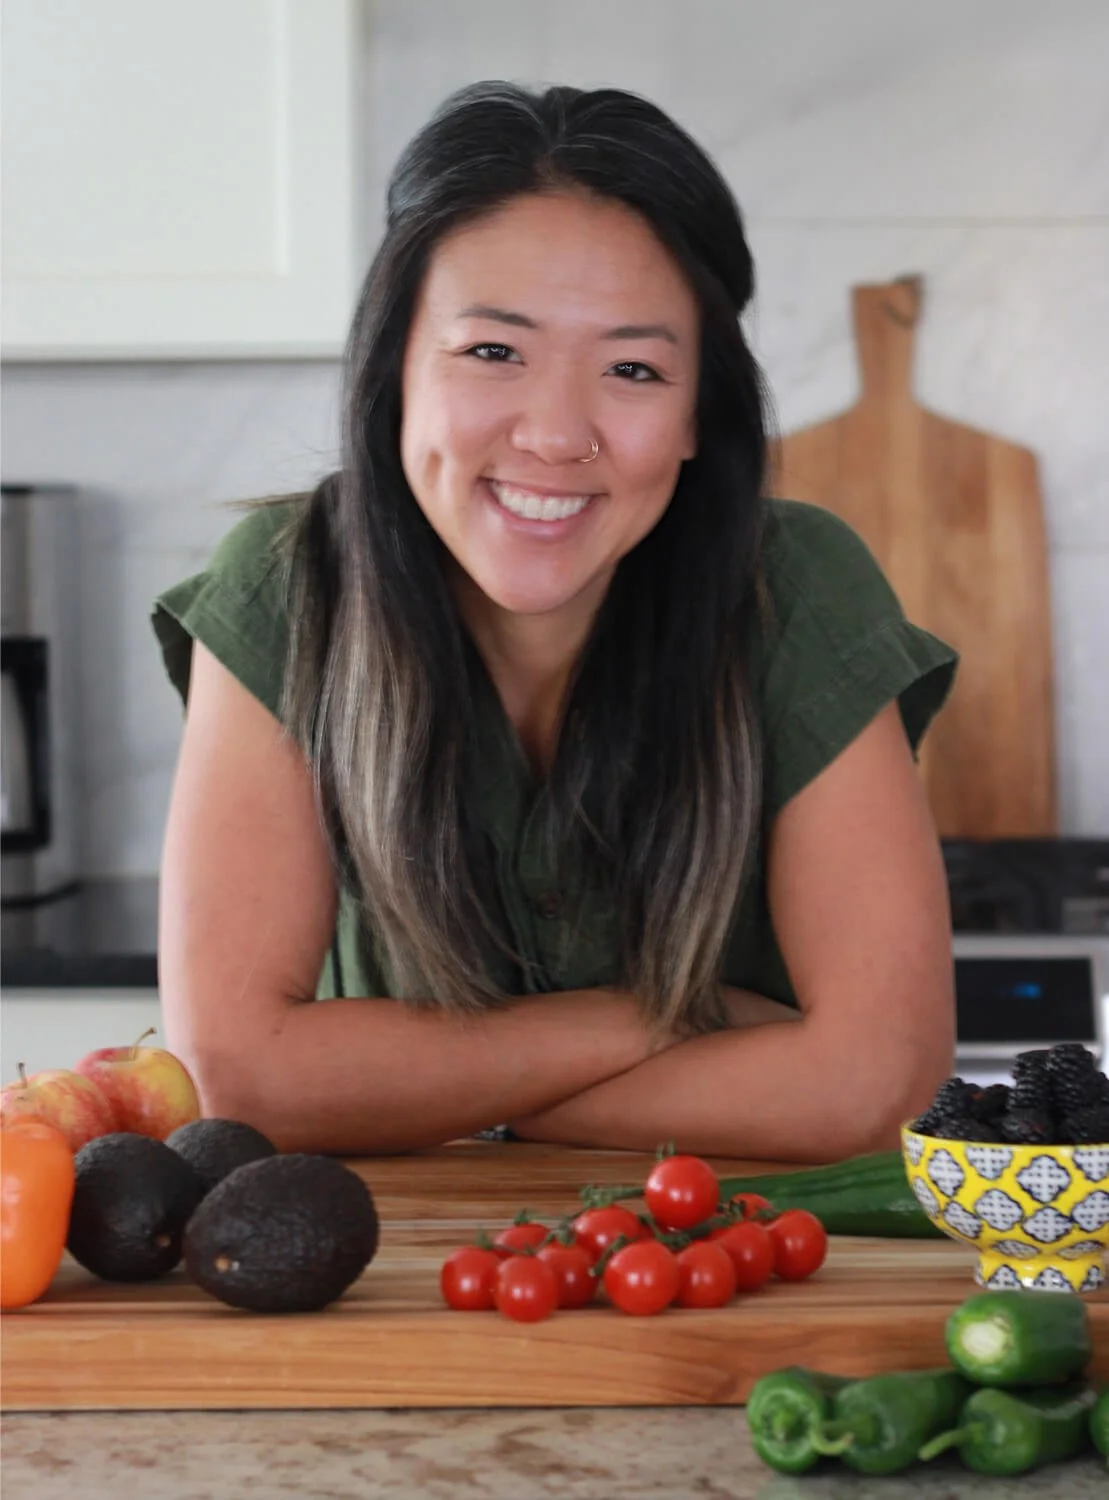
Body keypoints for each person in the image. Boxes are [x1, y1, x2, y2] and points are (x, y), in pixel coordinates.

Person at [152, 82, 959, 1163]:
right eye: (493, 352)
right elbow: (239, 1080)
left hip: (738, 1281)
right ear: (394, 368)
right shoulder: (288, 587)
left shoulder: (794, 585)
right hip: (376, 1291)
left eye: (632, 369)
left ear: (693, 417)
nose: (554, 433)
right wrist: (670, 1013)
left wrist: (407, 1090)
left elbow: (868, 1083)